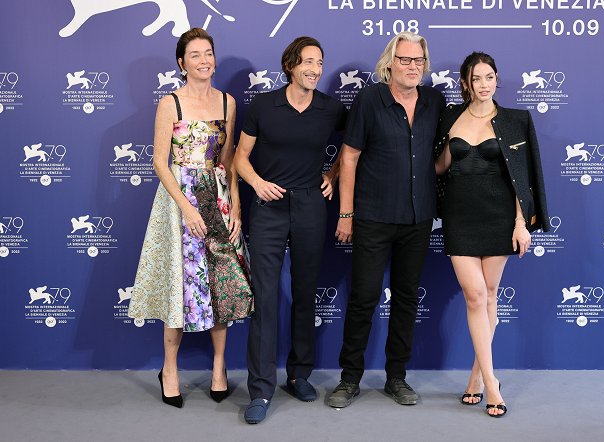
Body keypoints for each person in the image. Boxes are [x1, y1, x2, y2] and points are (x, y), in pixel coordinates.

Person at [128, 28, 253, 408]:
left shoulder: (228, 103)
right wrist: (186, 207)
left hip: (218, 198)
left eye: (209, 53)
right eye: (195, 54)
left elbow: (229, 160)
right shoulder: (171, 103)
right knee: (177, 286)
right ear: (182, 63)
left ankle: (219, 368)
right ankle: (170, 369)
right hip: (179, 201)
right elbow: (158, 162)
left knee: (220, 283)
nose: (204, 60)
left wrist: (237, 207)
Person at [328, 32, 445, 408]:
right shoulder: (369, 99)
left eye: (419, 61)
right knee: (363, 298)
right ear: (390, 63)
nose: (413, 67)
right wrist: (346, 213)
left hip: (418, 217)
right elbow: (348, 158)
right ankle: (349, 379)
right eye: (406, 60)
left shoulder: (434, 101)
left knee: (407, 299)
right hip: (374, 217)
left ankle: (397, 377)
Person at [234, 36, 346, 424]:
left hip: (311, 206)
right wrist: (256, 183)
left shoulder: (331, 108)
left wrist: (332, 174)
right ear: (290, 66)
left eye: (320, 62)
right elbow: (239, 158)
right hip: (268, 206)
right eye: (308, 62)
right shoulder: (264, 105)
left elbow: (353, 148)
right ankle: (261, 390)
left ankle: (299, 374)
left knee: (304, 291)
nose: (315, 69)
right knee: (264, 298)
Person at [434, 51, 550, 417]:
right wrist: (447, 147)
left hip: (499, 216)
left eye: (489, 77)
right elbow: (439, 167)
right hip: (459, 215)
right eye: (476, 79)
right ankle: (492, 383)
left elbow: (523, 177)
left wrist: (521, 223)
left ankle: (476, 378)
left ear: (497, 79)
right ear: (465, 83)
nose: (483, 85)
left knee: (489, 295)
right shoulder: (450, 116)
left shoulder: (516, 120)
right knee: (475, 295)